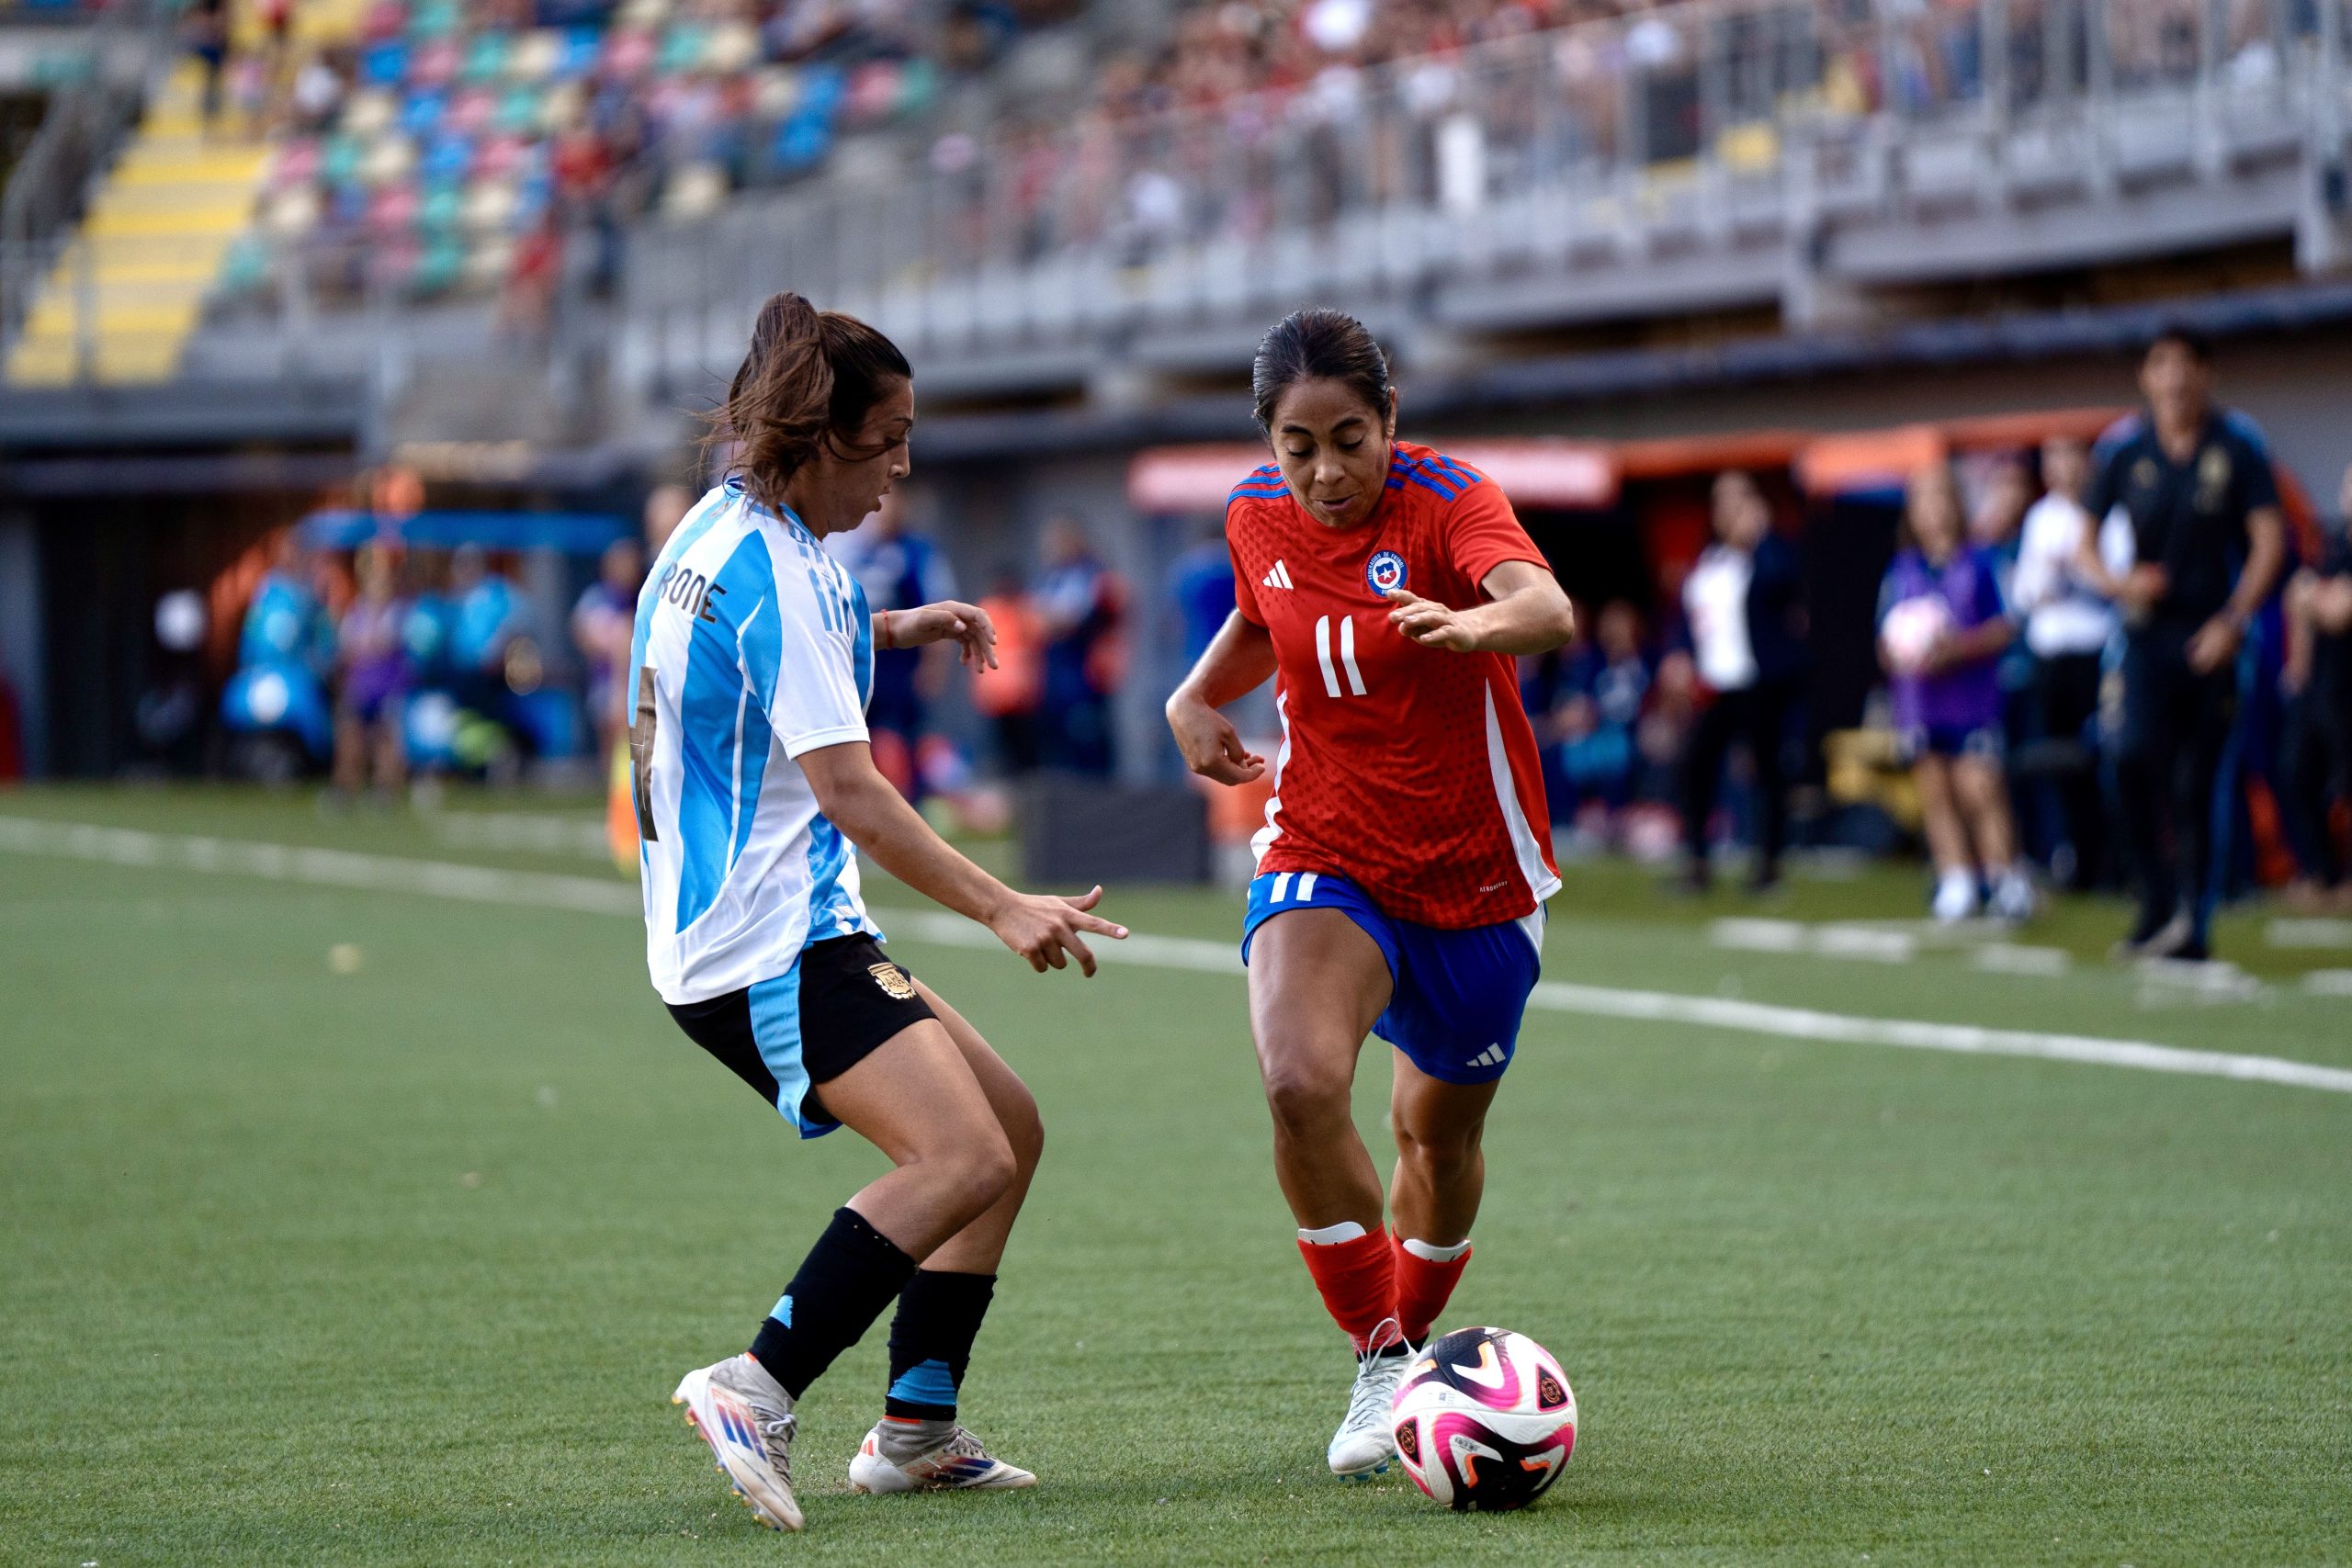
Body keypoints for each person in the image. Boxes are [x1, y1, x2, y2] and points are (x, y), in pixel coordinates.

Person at [636, 292, 1124, 1531]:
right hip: (765, 942)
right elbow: (851, 791)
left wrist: (898, 625)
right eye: (889, 435)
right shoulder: (786, 573)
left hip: (745, 930)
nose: (904, 462)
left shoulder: (721, 526)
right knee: (959, 1154)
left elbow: (757, 652)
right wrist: (1004, 901)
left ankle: (915, 1425)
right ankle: (757, 1381)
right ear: (821, 433)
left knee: (1009, 1127)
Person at [1164, 310, 1576, 1481]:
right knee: (1298, 1082)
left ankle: (1419, 1331)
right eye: (1299, 445)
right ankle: (1384, 1355)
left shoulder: (1449, 499)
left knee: (1434, 1141)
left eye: (1350, 438)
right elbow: (1264, 611)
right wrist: (1195, 697)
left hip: (1478, 877)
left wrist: (1471, 622)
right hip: (1326, 848)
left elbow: (1543, 609)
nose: (1326, 472)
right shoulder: (1255, 514)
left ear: (1389, 418)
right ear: (1269, 442)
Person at [2076, 327, 2289, 960]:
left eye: (2186, 364)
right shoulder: (2124, 448)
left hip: (2209, 634)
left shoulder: (2238, 445)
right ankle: (2154, 901)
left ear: (2206, 375)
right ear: (2146, 376)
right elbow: (2082, 543)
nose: (2173, 378)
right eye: (2160, 364)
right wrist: (2119, 584)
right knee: (2130, 758)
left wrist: (2233, 619)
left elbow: (2268, 542)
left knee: (2198, 780)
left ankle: (2193, 921)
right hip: (2145, 635)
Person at [1879, 463, 2035, 923]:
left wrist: (1958, 647)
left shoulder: (1982, 561)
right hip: (1920, 702)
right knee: (1936, 791)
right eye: (1923, 503)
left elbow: (2006, 626)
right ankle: (1957, 879)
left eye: (1942, 500)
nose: (1934, 512)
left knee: (1981, 788)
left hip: (1971, 697)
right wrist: (1903, 653)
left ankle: (2007, 877)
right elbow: (1884, 639)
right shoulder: (1903, 569)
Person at [1676, 470, 1807, 894]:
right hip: (1716, 683)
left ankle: (1767, 866)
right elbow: (1693, 616)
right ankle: (1697, 862)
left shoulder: (1770, 553)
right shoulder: (1711, 560)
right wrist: (1680, 657)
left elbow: (1783, 586)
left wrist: (1761, 536)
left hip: (1758, 680)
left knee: (1766, 772)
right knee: (1695, 766)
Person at [2009, 435, 2132, 888]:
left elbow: (2119, 583)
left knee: (2103, 758)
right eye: (2052, 457)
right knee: (2058, 763)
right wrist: (2046, 579)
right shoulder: (2041, 517)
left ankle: (2113, 862)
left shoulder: (2108, 514)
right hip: (2050, 654)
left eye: (2069, 455)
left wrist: (2078, 570)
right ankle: (2073, 857)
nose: (2061, 466)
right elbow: (2023, 592)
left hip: (2094, 652)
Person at [825, 491, 957, 798]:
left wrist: (933, 667)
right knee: (857, 742)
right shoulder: (857, 552)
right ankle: (861, 808)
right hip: (864, 665)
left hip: (903, 666)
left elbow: (938, 608)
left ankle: (915, 807)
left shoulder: (919, 552)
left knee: (909, 741)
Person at [2278, 478, 2352, 910]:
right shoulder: (2333, 543)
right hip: (2321, 683)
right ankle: (2321, 871)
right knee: (2296, 771)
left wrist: (2316, 598)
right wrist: (2299, 665)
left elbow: (2339, 612)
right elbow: (2297, 595)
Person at [1032, 517, 1126, 774]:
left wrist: (1050, 620)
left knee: (1088, 742)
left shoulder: (1091, 574)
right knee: (1060, 747)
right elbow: (1036, 621)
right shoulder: (1051, 576)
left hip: (1083, 674)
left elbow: (1069, 619)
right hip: (1055, 674)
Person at [333, 543, 412, 801]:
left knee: (385, 738)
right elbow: (347, 649)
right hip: (361, 685)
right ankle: (346, 786)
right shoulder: (356, 611)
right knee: (350, 735)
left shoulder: (396, 611)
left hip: (387, 686)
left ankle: (385, 788)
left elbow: (384, 645)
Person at [571, 536, 644, 759]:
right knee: (612, 746)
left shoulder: (640, 597)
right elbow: (580, 632)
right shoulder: (597, 597)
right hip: (604, 683)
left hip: (638, 683)